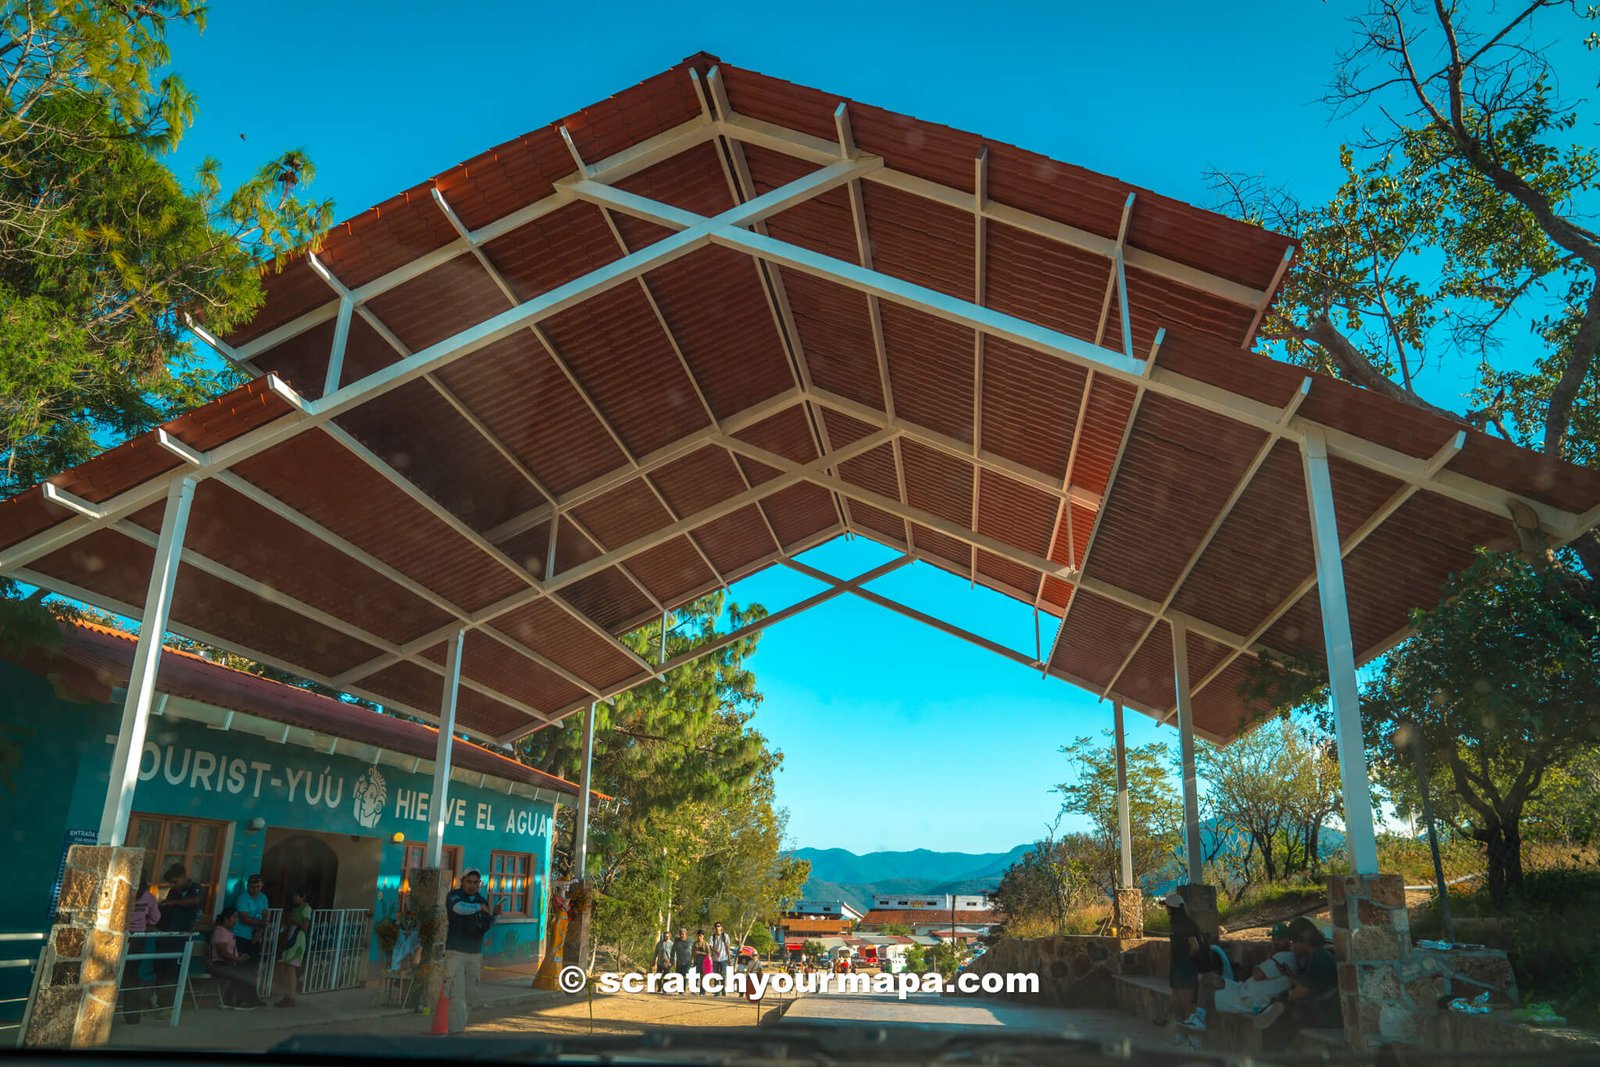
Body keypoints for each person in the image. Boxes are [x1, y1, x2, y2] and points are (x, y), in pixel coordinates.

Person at [1253, 919, 1340, 1040]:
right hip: (1320, 1008)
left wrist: (1278, 999)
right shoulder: (1316, 956)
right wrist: (1290, 976)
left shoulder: (1320, 959)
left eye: (1294, 942)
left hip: (1326, 1014)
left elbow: (1298, 994)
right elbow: (1305, 985)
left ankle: (1276, 1055)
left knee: (1281, 1022)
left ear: (1305, 942)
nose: (1292, 946)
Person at [444, 867, 501, 1033]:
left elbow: (486, 924)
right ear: (462, 881)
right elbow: (458, 909)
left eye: (476, 882)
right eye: (469, 881)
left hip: (475, 953)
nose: (472, 885)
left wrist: (495, 916)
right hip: (455, 952)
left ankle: (460, 1027)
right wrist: (479, 908)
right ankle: (456, 1032)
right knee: (456, 995)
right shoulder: (454, 896)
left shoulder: (482, 899)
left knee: (470, 996)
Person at [1211, 923, 1298, 1016]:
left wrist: (1258, 965)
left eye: (1279, 939)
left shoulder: (1287, 956)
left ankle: (1198, 1019)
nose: (1275, 942)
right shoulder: (1277, 955)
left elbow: (1258, 974)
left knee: (1209, 995)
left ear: (1288, 940)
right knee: (1208, 981)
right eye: (1274, 939)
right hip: (1245, 993)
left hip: (1252, 1000)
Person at [1161, 892, 1210, 1041]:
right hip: (1178, 966)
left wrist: (1186, 960)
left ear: (1173, 908)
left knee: (1186, 1003)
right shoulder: (1176, 925)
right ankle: (1181, 1032)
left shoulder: (1186, 925)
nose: (1166, 909)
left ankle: (1193, 1037)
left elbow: (1194, 945)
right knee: (1176, 1001)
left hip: (1185, 966)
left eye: (1168, 907)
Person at [155, 863, 203, 1001]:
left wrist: (174, 903)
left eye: (174, 882)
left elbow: (193, 901)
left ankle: (169, 1003)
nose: (173, 885)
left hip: (182, 936)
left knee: (173, 971)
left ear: (183, 877)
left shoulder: (195, 888)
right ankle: (161, 1001)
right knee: (161, 970)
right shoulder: (173, 892)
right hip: (168, 934)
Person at [120, 869, 162, 1022]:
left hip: (118, 937)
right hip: (137, 939)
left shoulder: (121, 892)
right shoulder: (148, 897)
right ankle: (132, 1016)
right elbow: (155, 918)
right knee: (132, 976)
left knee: (110, 972)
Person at [208, 908, 263, 1009]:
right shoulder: (221, 932)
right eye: (234, 917)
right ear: (226, 919)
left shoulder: (226, 932)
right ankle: (237, 1001)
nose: (236, 920)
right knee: (241, 974)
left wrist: (239, 956)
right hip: (219, 965)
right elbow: (223, 953)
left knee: (246, 971)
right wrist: (238, 959)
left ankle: (233, 999)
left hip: (227, 964)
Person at [274, 886, 312, 1008]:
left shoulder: (306, 909)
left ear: (303, 897)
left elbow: (305, 928)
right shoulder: (295, 908)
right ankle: (287, 995)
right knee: (285, 967)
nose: (294, 898)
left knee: (291, 968)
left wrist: (296, 921)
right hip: (291, 937)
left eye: (296, 896)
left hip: (298, 940)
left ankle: (291, 997)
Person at [232, 873, 269, 958]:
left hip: (256, 936)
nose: (255, 890)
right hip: (241, 935)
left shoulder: (263, 897)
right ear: (247, 885)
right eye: (253, 887)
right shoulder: (242, 898)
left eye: (258, 887)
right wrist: (262, 924)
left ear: (262, 886)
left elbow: (265, 913)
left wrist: (260, 931)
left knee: (253, 964)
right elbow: (244, 918)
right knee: (239, 963)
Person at [708, 922, 733, 995]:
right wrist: (715, 951)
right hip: (715, 959)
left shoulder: (725, 936)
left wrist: (729, 958)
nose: (717, 927)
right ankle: (717, 990)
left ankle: (723, 989)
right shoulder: (712, 937)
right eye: (716, 926)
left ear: (721, 927)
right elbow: (710, 947)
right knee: (716, 974)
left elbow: (727, 947)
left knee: (723, 974)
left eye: (718, 926)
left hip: (723, 958)